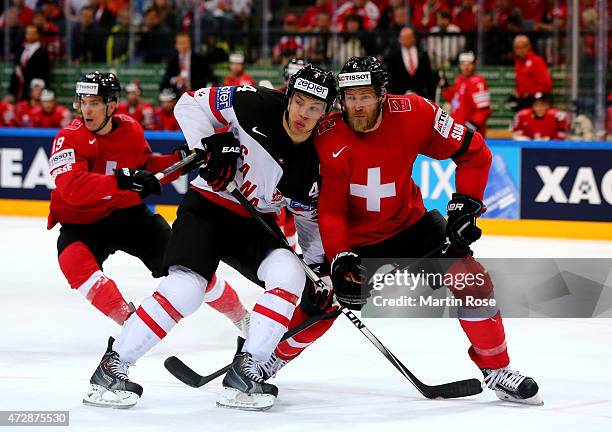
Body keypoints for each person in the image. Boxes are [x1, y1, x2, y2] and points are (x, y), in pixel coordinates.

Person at [270, 56, 543, 406]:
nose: (356, 106)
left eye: (365, 96)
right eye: (350, 97)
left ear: (383, 94)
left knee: (471, 279)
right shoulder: (325, 134)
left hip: (410, 224)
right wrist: (338, 258)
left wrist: (464, 207)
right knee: (323, 302)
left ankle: (497, 370)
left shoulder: (416, 113)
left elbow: (474, 152)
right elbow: (332, 208)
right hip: (355, 240)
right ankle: (263, 362)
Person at [82, 65, 338, 411]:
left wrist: (317, 268)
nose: (303, 114)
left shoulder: (313, 162)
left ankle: (248, 368)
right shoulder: (252, 102)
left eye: (314, 107)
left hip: (254, 222)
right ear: (288, 96)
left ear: (326, 112)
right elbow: (188, 104)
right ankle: (111, 368)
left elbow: (307, 221)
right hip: (207, 209)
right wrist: (209, 145)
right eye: (300, 101)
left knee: (290, 274)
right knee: (185, 291)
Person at [47, 71, 248, 334]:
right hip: (82, 223)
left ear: (111, 104)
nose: (87, 109)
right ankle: (130, 325)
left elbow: (145, 168)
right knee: (75, 265)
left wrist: (180, 162)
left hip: (130, 216)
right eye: (83, 102)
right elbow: (72, 187)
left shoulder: (130, 129)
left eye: (94, 102)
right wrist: (121, 180)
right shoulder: (69, 137)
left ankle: (243, 318)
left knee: (191, 264)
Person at [442, 51, 492, 137]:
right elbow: (455, 101)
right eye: (463, 64)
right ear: (459, 65)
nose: (466, 67)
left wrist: (471, 126)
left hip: (471, 133)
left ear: (474, 65)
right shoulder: (459, 79)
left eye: (469, 64)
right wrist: (445, 88)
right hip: (458, 131)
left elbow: (483, 110)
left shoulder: (478, 82)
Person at [385, 27, 436, 99]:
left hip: (421, 96)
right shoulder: (393, 56)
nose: (406, 40)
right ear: (400, 39)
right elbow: (390, 78)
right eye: (403, 38)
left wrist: (431, 97)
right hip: (399, 97)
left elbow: (429, 77)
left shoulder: (423, 54)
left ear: (413, 38)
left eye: (408, 37)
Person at [8, 24, 50, 101]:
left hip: (33, 91)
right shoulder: (21, 49)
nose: (30, 35)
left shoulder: (42, 52)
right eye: (28, 33)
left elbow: (44, 74)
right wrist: (12, 91)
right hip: (19, 89)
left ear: (38, 35)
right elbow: (16, 67)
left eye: (33, 33)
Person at [513, 34, 552, 111]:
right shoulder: (518, 62)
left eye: (523, 47)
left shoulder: (537, 61)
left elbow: (547, 85)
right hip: (522, 102)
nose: (521, 50)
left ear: (529, 46)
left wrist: (530, 93)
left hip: (536, 102)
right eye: (518, 47)